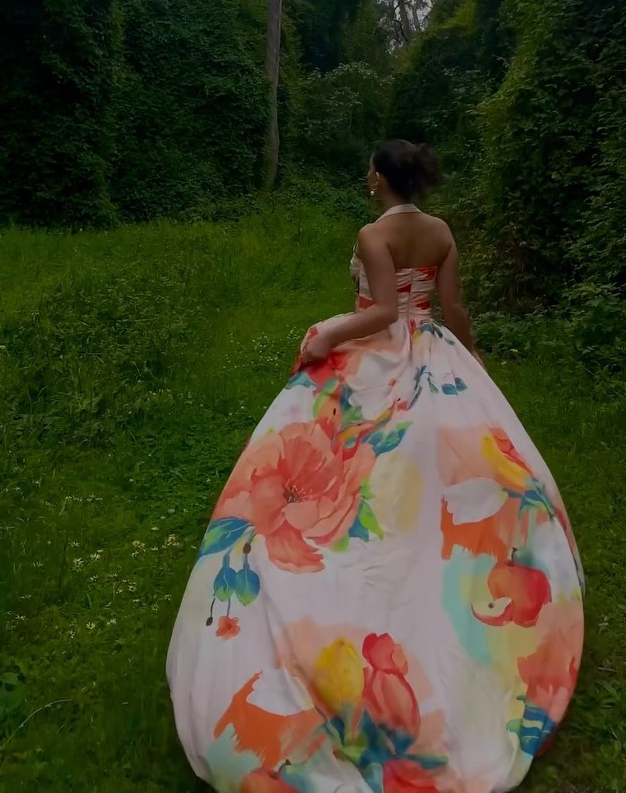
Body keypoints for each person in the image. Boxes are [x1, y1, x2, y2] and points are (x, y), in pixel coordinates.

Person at [167, 140, 584, 793]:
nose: (366, 174)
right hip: (435, 351)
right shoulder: (440, 231)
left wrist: (327, 335)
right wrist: (471, 361)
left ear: (380, 178)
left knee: (356, 450)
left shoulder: (372, 234)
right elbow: (453, 309)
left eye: (370, 166)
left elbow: (384, 313)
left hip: (382, 352)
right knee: (445, 458)